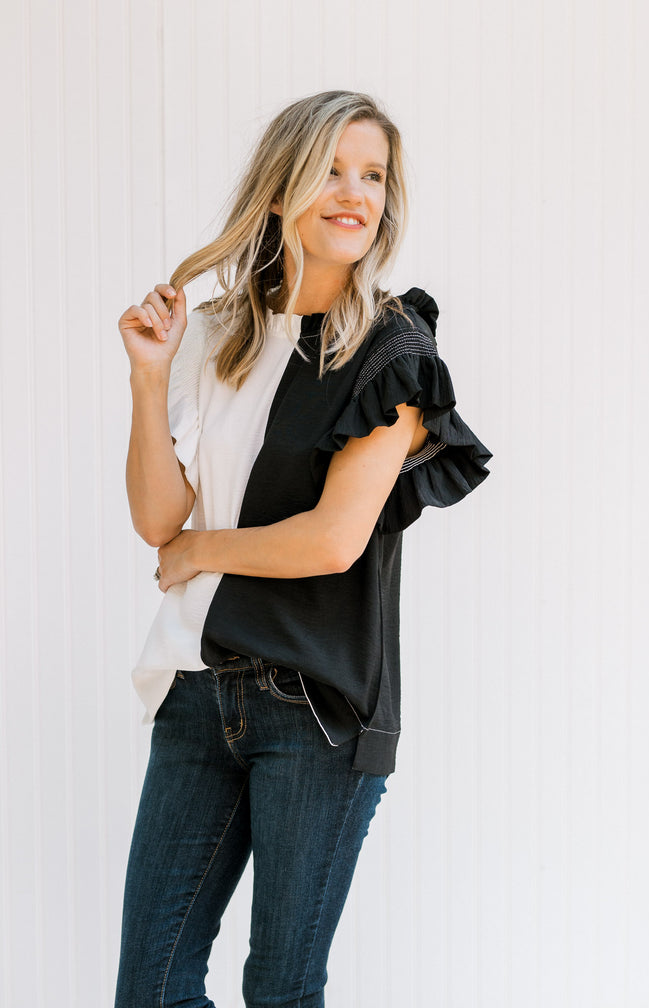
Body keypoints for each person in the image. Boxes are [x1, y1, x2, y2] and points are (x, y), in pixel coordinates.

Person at [114, 90, 491, 1008]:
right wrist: (150, 380)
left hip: (316, 711)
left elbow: (331, 541)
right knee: (151, 988)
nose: (356, 192)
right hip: (198, 695)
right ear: (280, 186)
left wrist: (206, 549)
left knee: (281, 989)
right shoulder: (219, 334)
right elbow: (158, 522)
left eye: (374, 176)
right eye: (333, 168)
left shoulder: (391, 352)